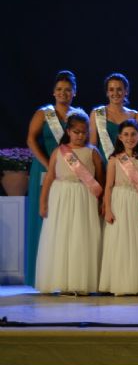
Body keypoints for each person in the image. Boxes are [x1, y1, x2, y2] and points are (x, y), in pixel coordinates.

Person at [35, 111, 104, 294]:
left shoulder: (92, 152)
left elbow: (100, 179)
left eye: (84, 132)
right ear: (68, 131)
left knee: (81, 237)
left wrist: (101, 203)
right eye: (76, 132)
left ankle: (80, 282)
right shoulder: (59, 152)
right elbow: (49, 177)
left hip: (84, 197)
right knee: (61, 237)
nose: (80, 136)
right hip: (61, 196)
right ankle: (61, 281)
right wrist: (43, 202)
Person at [25, 70, 79, 287]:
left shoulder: (77, 116)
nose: (63, 93)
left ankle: (64, 274)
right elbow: (30, 139)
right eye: (59, 90)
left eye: (67, 90)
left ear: (74, 92)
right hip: (45, 169)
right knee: (44, 217)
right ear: (53, 92)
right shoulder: (44, 113)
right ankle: (41, 276)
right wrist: (49, 165)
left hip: (70, 173)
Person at [99, 120, 138, 295]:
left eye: (133, 134)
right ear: (120, 137)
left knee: (137, 241)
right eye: (126, 135)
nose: (130, 138)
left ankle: (137, 283)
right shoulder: (115, 159)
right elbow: (108, 186)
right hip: (119, 201)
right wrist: (107, 208)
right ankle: (118, 282)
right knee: (119, 241)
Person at [89, 73, 137, 163]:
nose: (115, 93)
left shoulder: (133, 115)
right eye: (111, 90)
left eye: (119, 89)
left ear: (126, 91)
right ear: (107, 92)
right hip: (103, 166)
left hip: (129, 170)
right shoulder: (97, 113)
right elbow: (92, 146)